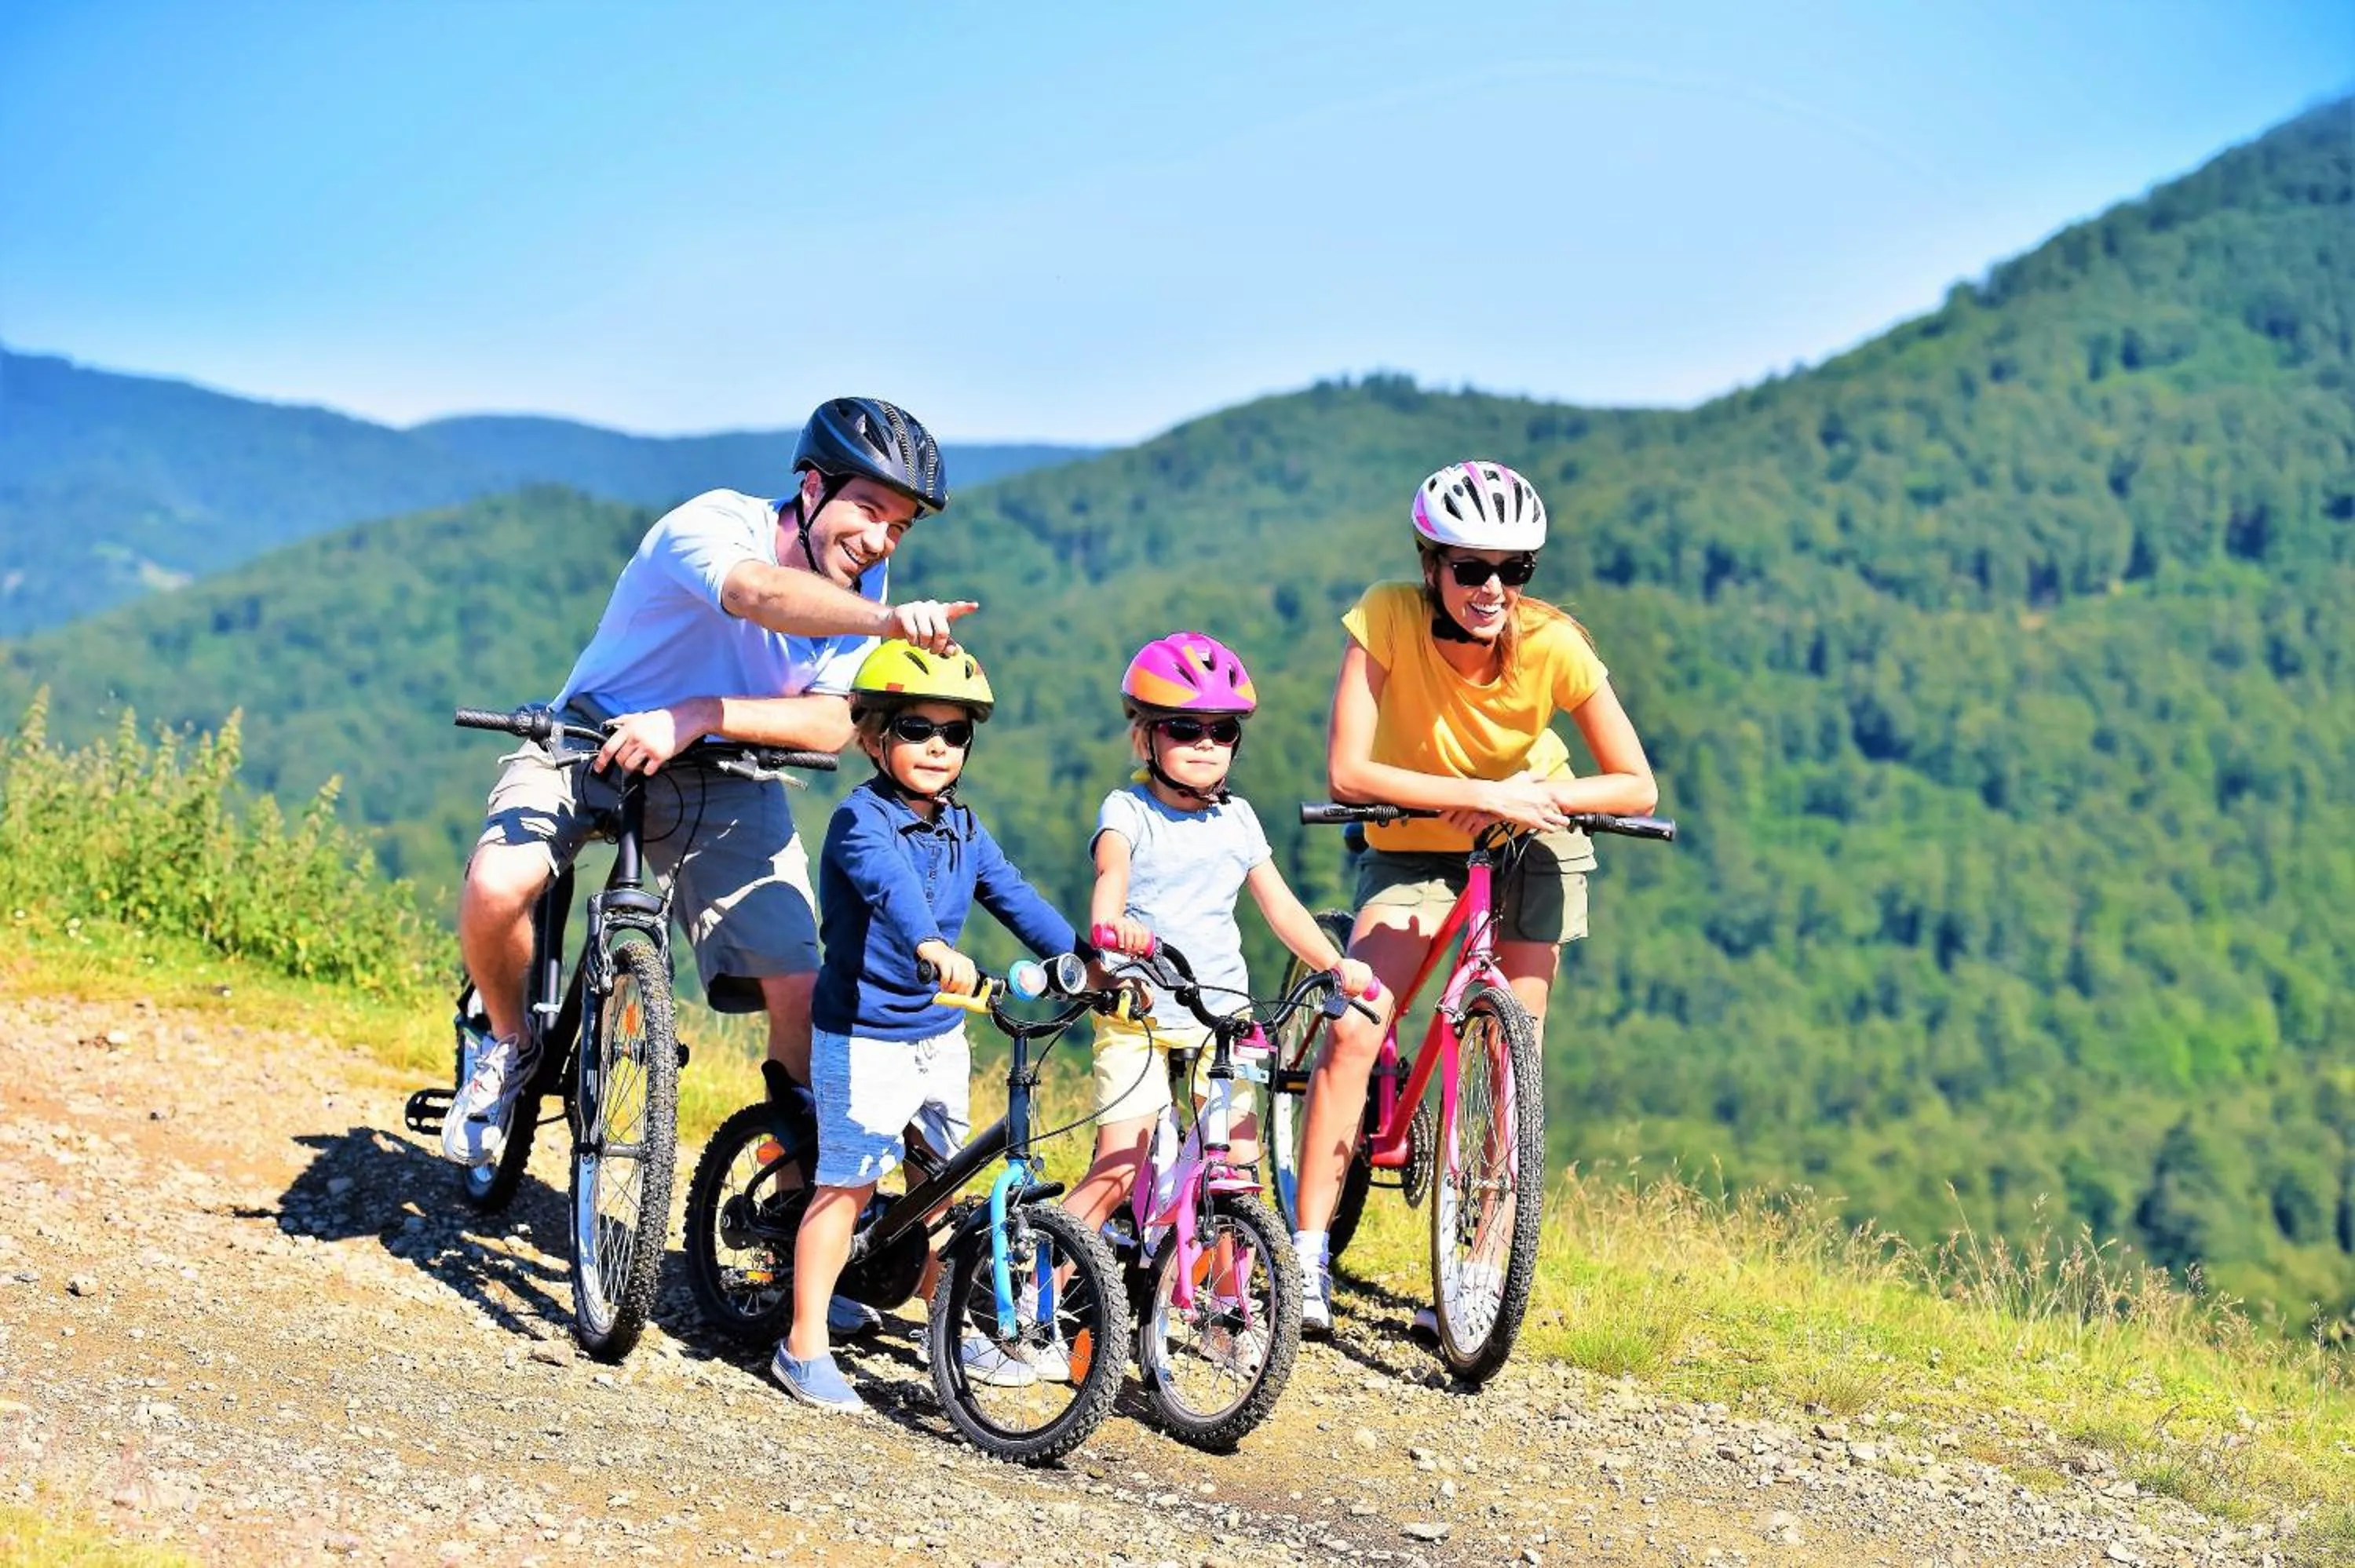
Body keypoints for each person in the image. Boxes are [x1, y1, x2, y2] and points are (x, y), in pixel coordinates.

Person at [443, 397, 974, 1332]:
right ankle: (507, 1042)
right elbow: (758, 594)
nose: (880, 540)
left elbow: (832, 722)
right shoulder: (717, 524)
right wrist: (890, 623)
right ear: (811, 487)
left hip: (722, 768)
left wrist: (697, 716)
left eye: (899, 526)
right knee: (500, 883)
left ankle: (795, 1234)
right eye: (867, 511)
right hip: (584, 734)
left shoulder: (861, 594)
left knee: (802, 988)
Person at [1290, 461, 1659, 1335]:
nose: (1492, 588)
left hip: (1531, 835)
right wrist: (1477, 793)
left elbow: (1635, 785)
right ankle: (1304, 1255)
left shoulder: (1554, 643)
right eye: (1470, 568)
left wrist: (1532, 798)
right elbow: (1348, 772)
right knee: (1356, 1027)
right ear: (1431, 565)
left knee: (1510, 1057)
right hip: (1412, 840)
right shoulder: (1387, 616)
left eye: (1513, 569)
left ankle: (1480, 1271)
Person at [772, 640, 1082, 1414]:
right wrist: (932, 946)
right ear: (874, 737)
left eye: (955, 733)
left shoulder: (963, 829)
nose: (938, 746)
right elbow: (892, 889)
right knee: (847, 1184)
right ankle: (802, 1345)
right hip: (865, 1032)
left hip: (939, 1030)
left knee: (940, 1182)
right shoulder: (861, 819)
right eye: (916, 729)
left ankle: (943, 1323)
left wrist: (1088, 962)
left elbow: (1014, 896)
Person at [1064, 632, 1373, 1242]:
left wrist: (1335, 964)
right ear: (1146, 737)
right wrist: (1110, 927)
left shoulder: (1237, 818)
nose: (1205, 744)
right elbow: (1111, 874)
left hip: (1222, 1018)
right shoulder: (1128, 811)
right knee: (1119, 1169)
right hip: (1137, 1012)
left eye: (1222, 731)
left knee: (1235, 1171)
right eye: (1185, 729)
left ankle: (1227, 1299)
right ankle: (1043, 1276)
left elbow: (1281, 908)